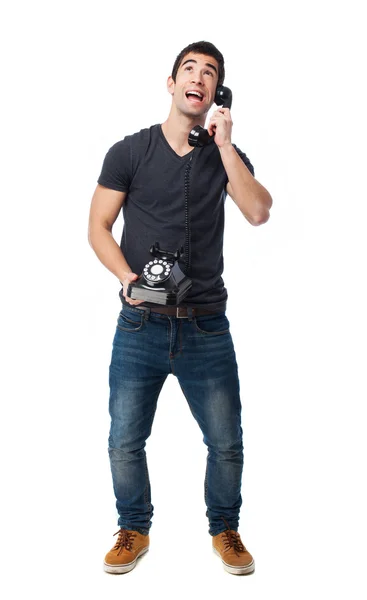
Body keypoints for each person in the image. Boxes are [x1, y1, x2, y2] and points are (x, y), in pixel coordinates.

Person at [88, 40, 272, 576]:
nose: (199, 77)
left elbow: (259, 212)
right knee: (124, 439)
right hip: (141, 321)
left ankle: (226, 530)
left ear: (217, 92)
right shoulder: (130, 151)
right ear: (171, 84)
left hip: (207, 328)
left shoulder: (224, 155)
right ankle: (133, 528)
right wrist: (127, 278)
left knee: (226, 441)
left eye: (210, 72)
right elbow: (97, 228)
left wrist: (225, 146)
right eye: (189, 68)